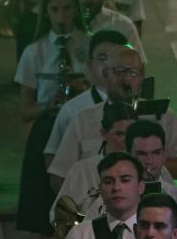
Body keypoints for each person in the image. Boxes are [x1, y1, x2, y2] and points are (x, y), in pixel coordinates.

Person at [13, 0, 89, 239]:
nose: (61, 17)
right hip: (47, 129)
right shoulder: (35, 51)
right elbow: (23, 108)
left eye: (67, 9)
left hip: (79, 129)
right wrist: (49, 103)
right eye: (54, 10)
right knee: (40, 235)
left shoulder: (87, 46)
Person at [47, 45, 177, 184]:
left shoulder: (163, 116)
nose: (126, 79)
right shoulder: (84, 120)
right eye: (119, 71)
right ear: (105, 74)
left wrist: (144, 161)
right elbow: (59, 175)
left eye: (133, 73)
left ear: (142, 75)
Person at [45, 29, 129, 163]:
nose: (109, 65)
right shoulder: (72, 110)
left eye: (117, 59)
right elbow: (53, 162)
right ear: (90, 64)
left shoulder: (143, 108)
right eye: (102, 58)